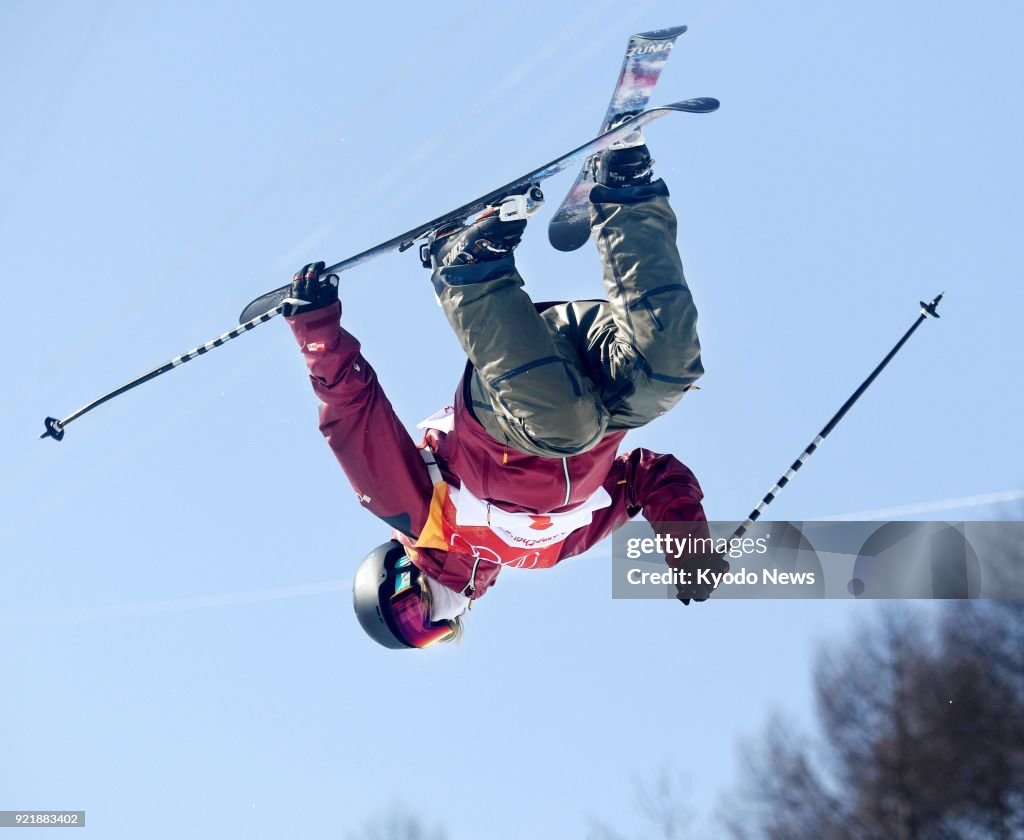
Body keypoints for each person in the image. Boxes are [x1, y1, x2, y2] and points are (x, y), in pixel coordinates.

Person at [284, 131, 725, 650]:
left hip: (511, 403)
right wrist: (687, 543)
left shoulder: (418, 519)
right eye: (424, 633)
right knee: (668, 373)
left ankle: (467, 274)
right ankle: (627, 188)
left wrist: (316, 332)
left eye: (405, 611)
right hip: (589, 390)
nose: (425, 616)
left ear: (395, 573)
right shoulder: (552, 551)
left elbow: (354, 416)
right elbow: (649, 478)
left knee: (567, 427)